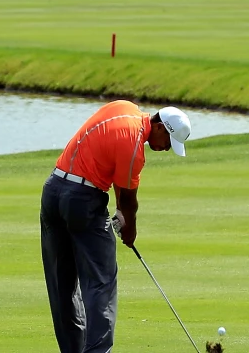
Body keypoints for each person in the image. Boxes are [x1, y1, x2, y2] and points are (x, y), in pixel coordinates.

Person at [41, 100, 192, 353]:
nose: (166, 149)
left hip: (53, 191)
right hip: (82, 201)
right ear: (160, 128)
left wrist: (121, 213)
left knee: (62, 283)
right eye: (169, 142)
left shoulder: (123, 107)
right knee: (101, 283)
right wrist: (129, 229)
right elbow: (129, 199)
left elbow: (120, 184)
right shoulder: (135, 144)